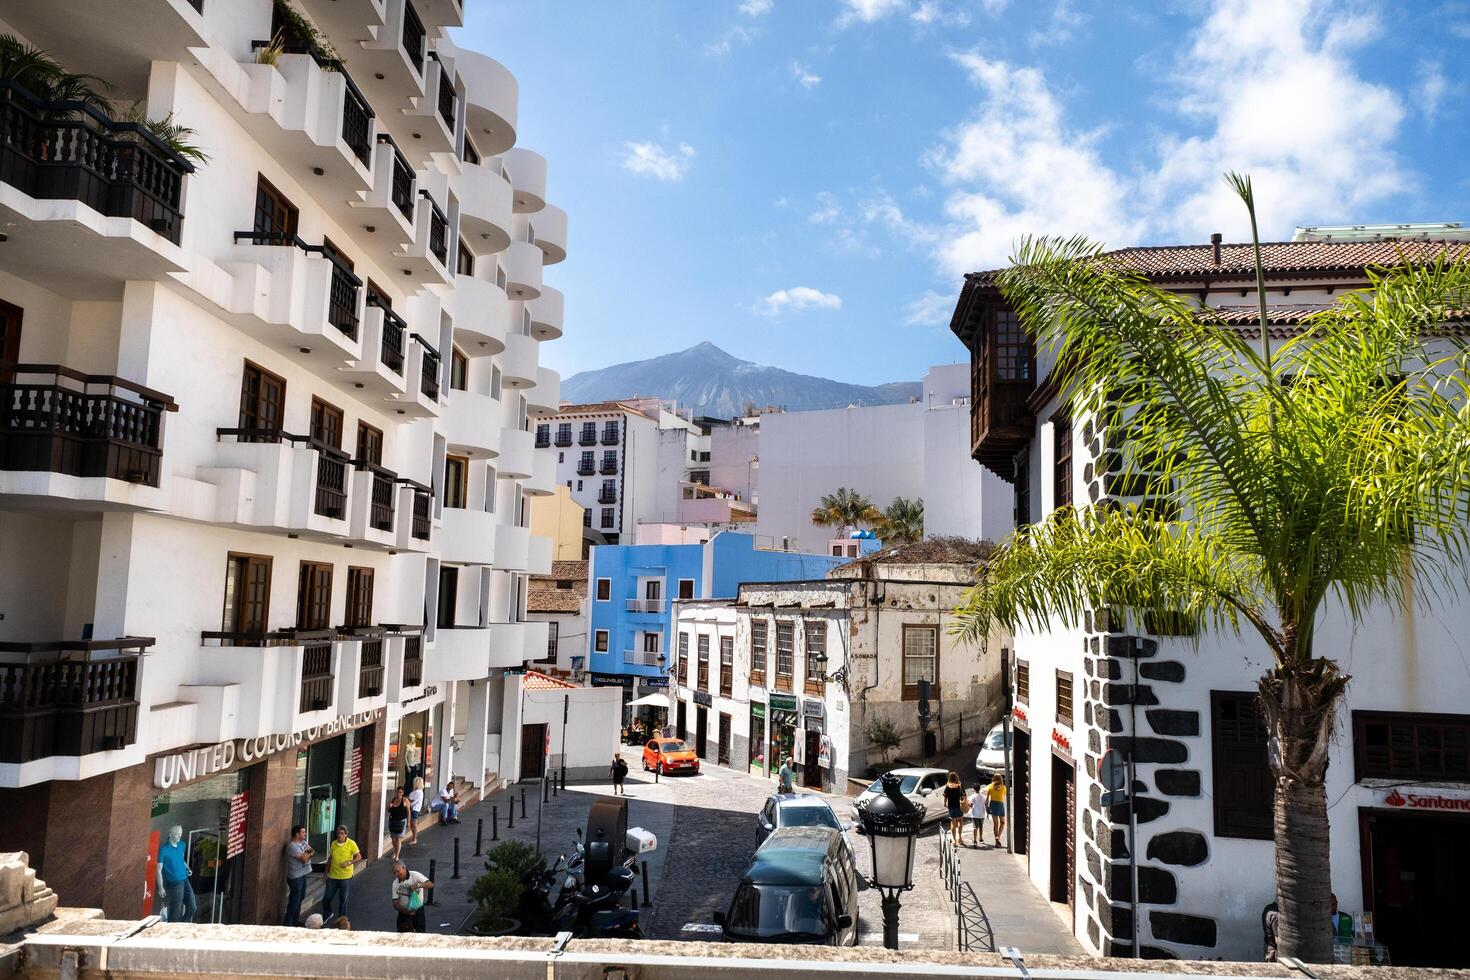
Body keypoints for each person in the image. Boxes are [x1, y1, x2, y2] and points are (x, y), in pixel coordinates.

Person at [322, 825, 364, 922]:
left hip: (346, 877)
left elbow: (359, 857)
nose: (339, 835)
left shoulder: (351, 843)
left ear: (346, 834)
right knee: (326, 898)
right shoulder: (333, 844)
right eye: (338, 833)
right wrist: (325, 874)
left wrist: (349, 862)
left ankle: (341, 920)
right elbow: (330, 859)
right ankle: (328, 913)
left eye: (341, 833)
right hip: (333, 876)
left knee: (343, 900)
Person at [156, 825, 197, 924]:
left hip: (185, 880)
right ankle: (172, 932)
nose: (179, 836)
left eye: (180, 834)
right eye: (177, 834)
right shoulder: (163, 850)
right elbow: (158, 870)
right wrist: (160, 887)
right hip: (174, 883)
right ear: (170, 834)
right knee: (176, 911)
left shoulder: (182, 845)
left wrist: (187, 868)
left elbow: (181, 860)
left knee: (192, 907)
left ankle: (181, 926)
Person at [283, 824, 314, 926]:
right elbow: (304, 859)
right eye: (303, 832)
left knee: (301, 898)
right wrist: (308, 855)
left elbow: (313, 851)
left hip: (303, 874)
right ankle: (288, 923)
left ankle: (295, 921)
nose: (305, 834)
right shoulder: (292, 846)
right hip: (296, 877)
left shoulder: (303, 843)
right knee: (294, 901)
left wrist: (307, 854)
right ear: (297, 834)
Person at [391, 860, 433, 933]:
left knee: (420, 933)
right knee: (401, 933)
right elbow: (395, 902)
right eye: (394, 872)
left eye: (398, 871)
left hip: (418, 910)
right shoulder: (395, 883)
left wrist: (418, 885)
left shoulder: (415, 875)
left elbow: (430, 884)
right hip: (404, 912)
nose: (396, 874)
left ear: (404, 868)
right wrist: (404, 911)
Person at [943, 771, 966, 846]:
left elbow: (945, 796)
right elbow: (963, 795)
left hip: (951, 806)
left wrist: (945, 803)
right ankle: (960, 838)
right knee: (960, 821)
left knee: (953, 822)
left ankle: (954, 840)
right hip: (959, 806)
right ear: (957, 777)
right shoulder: (959, 785)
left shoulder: (948, 786)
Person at [985, 772, 1008, 846]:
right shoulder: (1004, 787)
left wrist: (987, 808)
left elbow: (987, 800)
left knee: (996, 823)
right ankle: (998, 837)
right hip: (1000, 805)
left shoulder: (990, 787)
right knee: (1002, 822)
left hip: (992, 805)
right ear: (1001, 779)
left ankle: (996, 838)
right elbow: (1004, 797)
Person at [387, 787, 411, 860]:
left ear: (403, 793)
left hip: (401, 822)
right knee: (393, 839)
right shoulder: (393, 800)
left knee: (398, 839)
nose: (398, 793)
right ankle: (395, 851)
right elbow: (388, 810)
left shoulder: (405, 800)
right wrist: (389, 806)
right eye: (397, 792)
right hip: (392, 821)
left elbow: (408, 812)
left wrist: (408, 822)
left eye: (400, 792)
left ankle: (397, 855)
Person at [407, 777, 425, 845]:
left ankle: (414, 839)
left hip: (413, 809)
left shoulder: (415, 792)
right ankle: (414, 838)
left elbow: (409, 799)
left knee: (413, 825)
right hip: (416, 809)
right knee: (414, 824)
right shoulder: (420, 791)